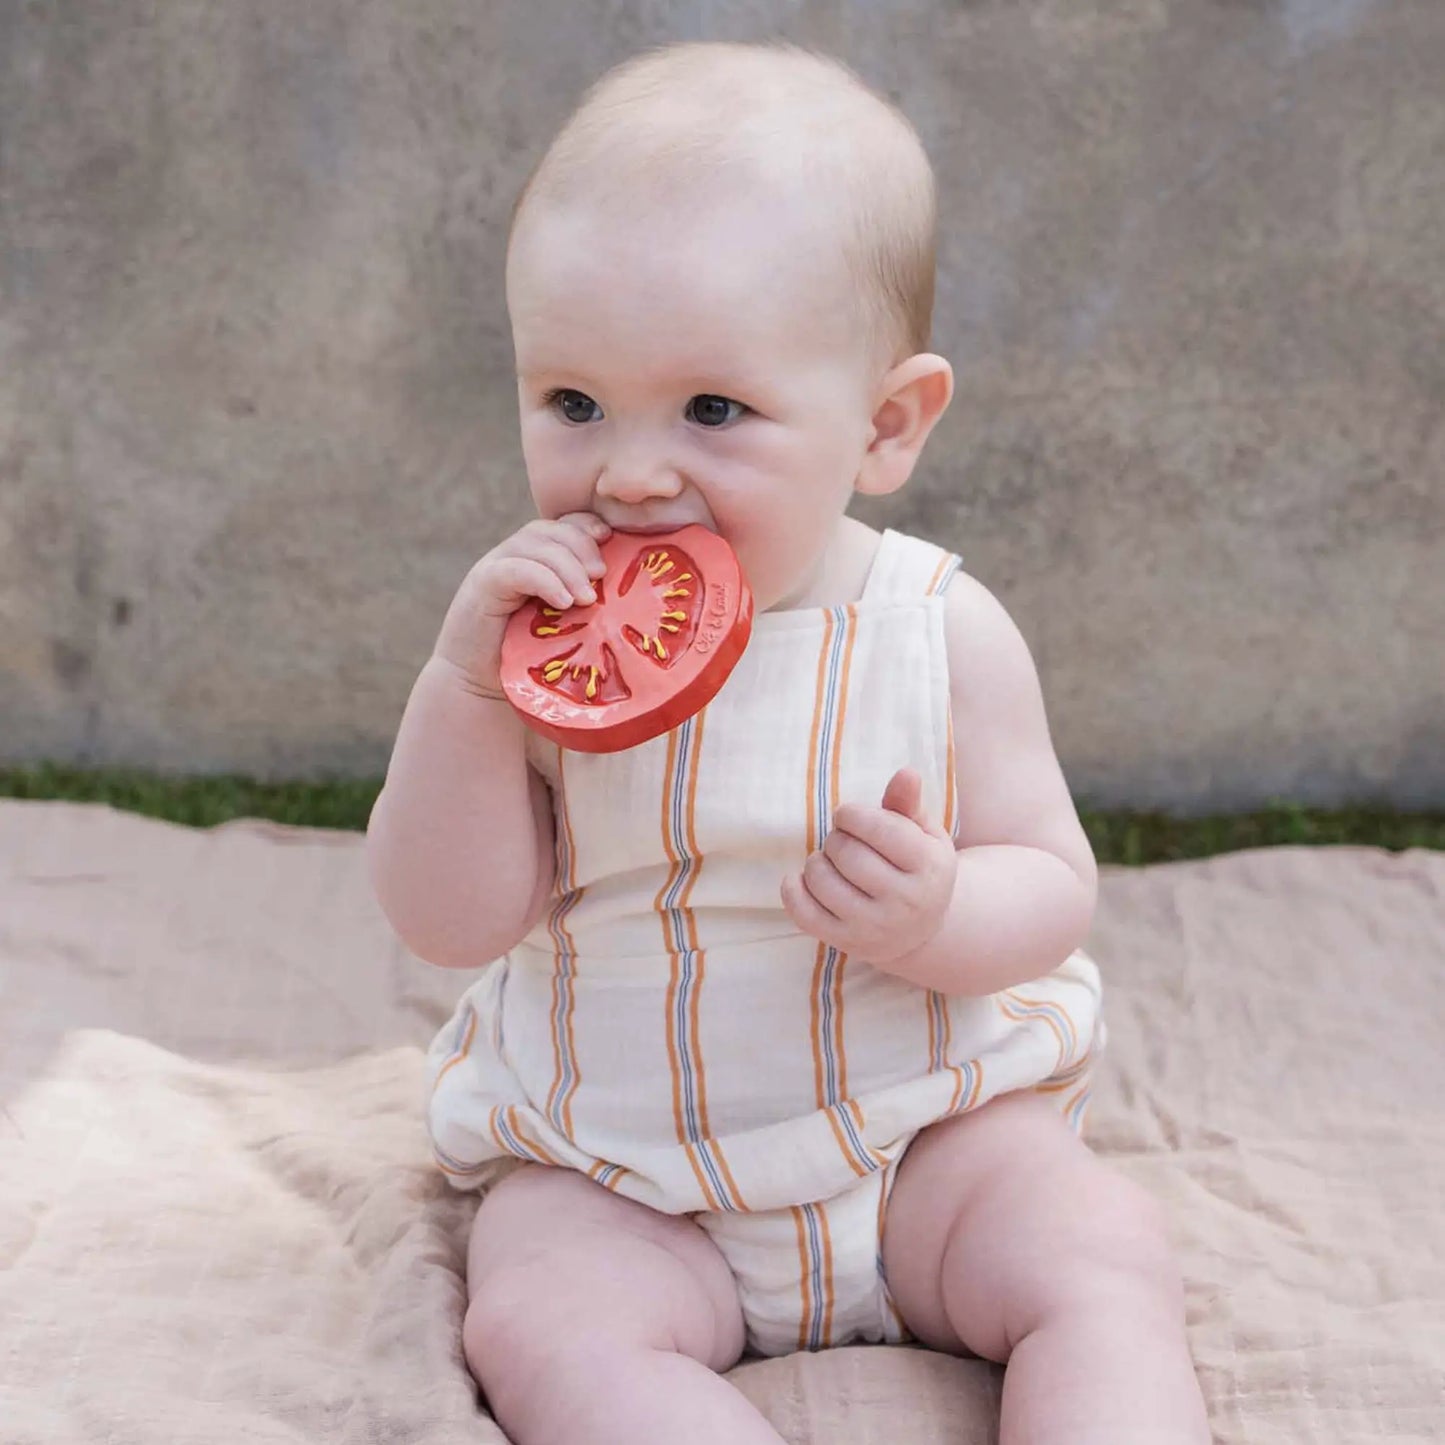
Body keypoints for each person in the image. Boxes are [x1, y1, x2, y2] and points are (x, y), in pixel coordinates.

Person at [366, 38, 1209, 1445]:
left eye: (712, 409)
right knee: (531, 1317)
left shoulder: (938, 629)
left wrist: (942, 909)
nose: (630, 471)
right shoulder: (532, 653)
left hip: (921, 1144)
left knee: (1100, 1253)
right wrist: (461, 693)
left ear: (883, 425)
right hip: (625, 1175)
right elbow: (448, 919)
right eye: (573, 403)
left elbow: (1051, 880)